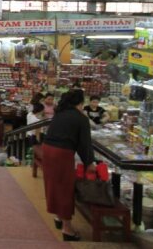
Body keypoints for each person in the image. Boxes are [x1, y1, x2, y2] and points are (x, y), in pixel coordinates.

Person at [41, 89, 95, 241]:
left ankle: (59, 217)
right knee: (65, 188)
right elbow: (85, 144)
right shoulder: (81, 118)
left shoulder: (60, 113)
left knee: (54, 184)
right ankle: (67, 228)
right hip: (62, 153)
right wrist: (89, 162)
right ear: (80, 103)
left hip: (48, 149)